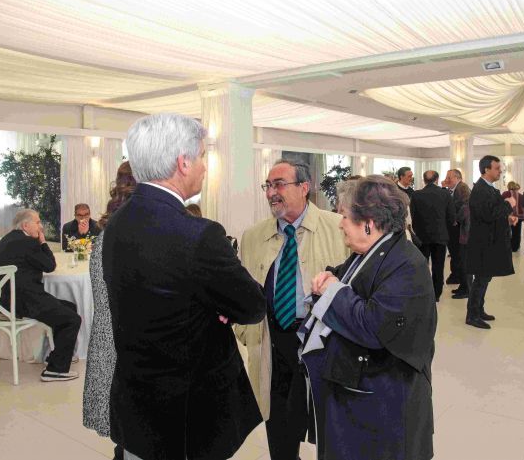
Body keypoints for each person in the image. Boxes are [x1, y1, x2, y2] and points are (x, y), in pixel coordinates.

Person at [103, 113, 265, 460]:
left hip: (136, 400)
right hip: (189, 413)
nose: (205, 166)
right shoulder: (198, 234)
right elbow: (252, 306)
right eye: (203, 156)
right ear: (183, 163)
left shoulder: (117, 223)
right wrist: (218, 305)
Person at [301, 175, 436, 460]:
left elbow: (374, 326)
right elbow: (350, 280)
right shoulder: (370, 252)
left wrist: (332, 290)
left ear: (368, 223)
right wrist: (330, 278)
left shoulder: (407, 263)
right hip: (358, 392)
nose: (340, 224)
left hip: (384, 403)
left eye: (344, 216)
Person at [238, 158, 348, 460]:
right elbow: (243, 292)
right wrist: (245, 332)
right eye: (268, 185)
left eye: (279, 184)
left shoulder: (337, 228)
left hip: (320, 342)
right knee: (278, 421)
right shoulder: (253, 236)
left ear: (304, 187)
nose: (271, 192)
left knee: (327, 421)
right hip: (272, 342)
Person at [83, 161, 136, 460]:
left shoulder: (110, 230)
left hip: (110, 343)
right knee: (132, 432)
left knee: (125, 434)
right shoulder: (131, 234)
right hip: (124, 346)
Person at [0, 209, 82, 381]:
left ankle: (58, 356)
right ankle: (55, 370)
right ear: (25, 225)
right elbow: (50, 266)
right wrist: (43, 242)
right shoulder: (28, 242)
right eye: (37, 222)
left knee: (69, 307)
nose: (41, 226)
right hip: (27, 301)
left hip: (10, 299)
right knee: (72, 319)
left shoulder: (6, 239)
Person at [465, 155, 516, 329]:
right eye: (497, 168)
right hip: (483, 243)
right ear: (486, 169)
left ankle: (479, 310)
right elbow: (488, 215)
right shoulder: (480, 190)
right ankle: (472, 315)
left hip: (489, 241)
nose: (500, 171)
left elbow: (492, 212)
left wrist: (507, 218)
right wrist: (508, 204)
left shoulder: (489, 189)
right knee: (481, 279)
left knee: (484, 278)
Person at [410, 170, 454, 301]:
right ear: (437, 179)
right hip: (440, 235)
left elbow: (413, 215)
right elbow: (451, 216)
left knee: (422, 266)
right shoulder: (445, 194)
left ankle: (423, 291)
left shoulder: (416, 195)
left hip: (422, 236)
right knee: (438, 266)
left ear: (424, 180)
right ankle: (437, 293)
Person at [443, 168, 471, 298]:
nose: (447, 179)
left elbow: (465, 207)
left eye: (450, 177)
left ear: (458, 178)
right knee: (459, 257)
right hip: (458, 229)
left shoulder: (462, 188)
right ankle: (463, 285)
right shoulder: (454, 189)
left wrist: (455, 219)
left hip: (463, 229)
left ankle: (466, 289)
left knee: (463, 259)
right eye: (447, 177)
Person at [502, 181, 523, 252]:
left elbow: (501, 203)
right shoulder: (520, 195)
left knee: (507, 231)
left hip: (508, 216)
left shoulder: (505, 194)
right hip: (518, 216)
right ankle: (515, 247)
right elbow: (523, 206)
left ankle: (507, 246)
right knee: (517, 232)